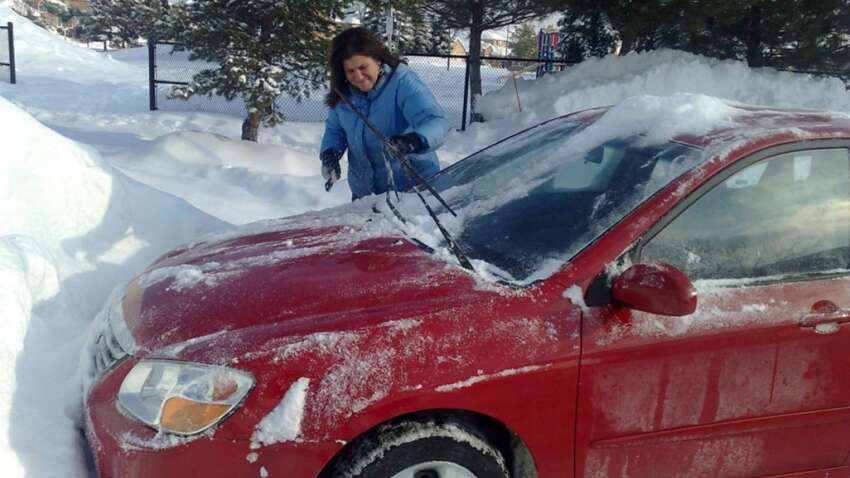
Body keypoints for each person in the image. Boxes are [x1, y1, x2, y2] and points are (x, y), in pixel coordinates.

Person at [320, 27, 449, 200]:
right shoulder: (344, 93)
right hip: (365, 195)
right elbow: (335, 129)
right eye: (350, 71)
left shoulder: (402, 82)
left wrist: (413, 140)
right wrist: (330, 154)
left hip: (412, 192)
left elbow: (435, 121)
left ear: (378, 60)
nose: (358, 76)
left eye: (362, 67)